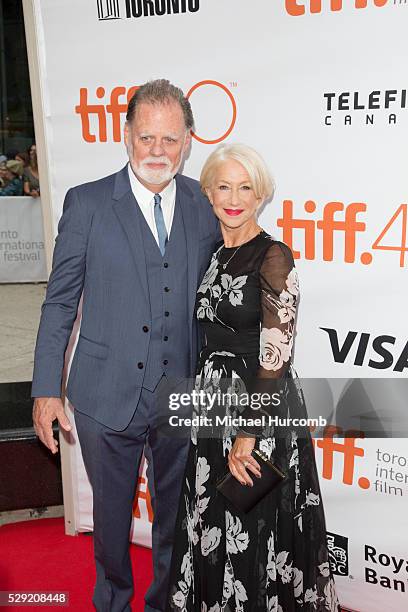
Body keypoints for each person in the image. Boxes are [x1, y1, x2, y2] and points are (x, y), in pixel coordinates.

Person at [31, 79, 220, 612]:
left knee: (176, 523)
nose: (157, 151)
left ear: (188, 141)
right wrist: (48, 388)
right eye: (146, 138)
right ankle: (112, 602)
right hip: (104, 395)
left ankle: (164, 603)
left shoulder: (205, 209)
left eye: (170, 139)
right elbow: (60, 303)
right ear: (126, 136)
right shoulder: (87, 203)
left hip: (180, 398)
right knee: (111, 524)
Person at [166, 144, 340, 611]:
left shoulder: (273, 256)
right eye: (223, 186)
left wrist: (250, 431)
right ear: (207, 191)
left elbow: (276, 352)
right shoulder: (214, 253)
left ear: (260, 194)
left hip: (257, 410)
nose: (234, 197)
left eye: (245, 187)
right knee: (214, 522)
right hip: (210, 410)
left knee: (251, 527)